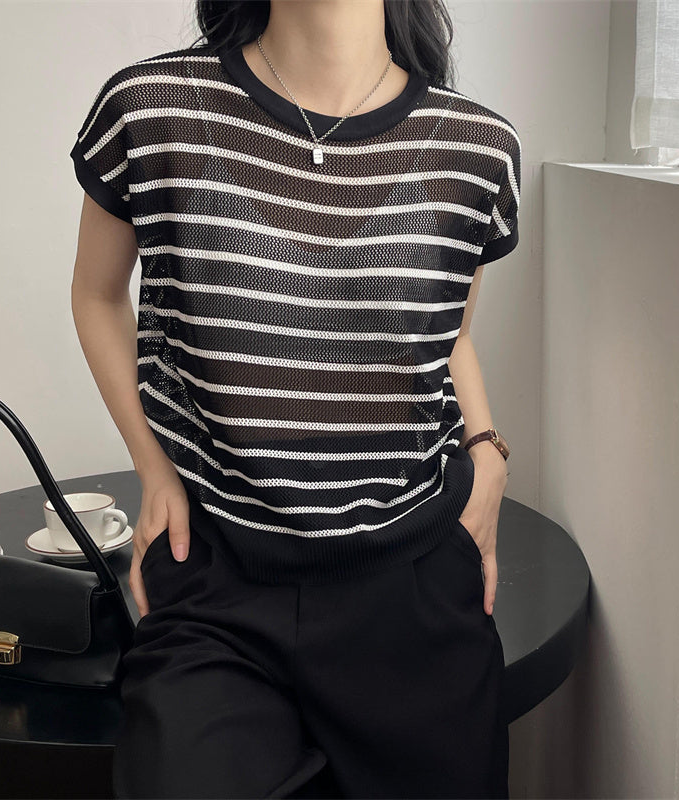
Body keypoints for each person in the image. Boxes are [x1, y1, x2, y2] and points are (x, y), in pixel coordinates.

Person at [69, 1, 521, 797]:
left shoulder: (476, 148)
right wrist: (154, 467)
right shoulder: (152, 109)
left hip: (412, 580)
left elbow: (441, 334)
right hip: (219, 579)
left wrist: (487, 452)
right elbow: (97, 296)